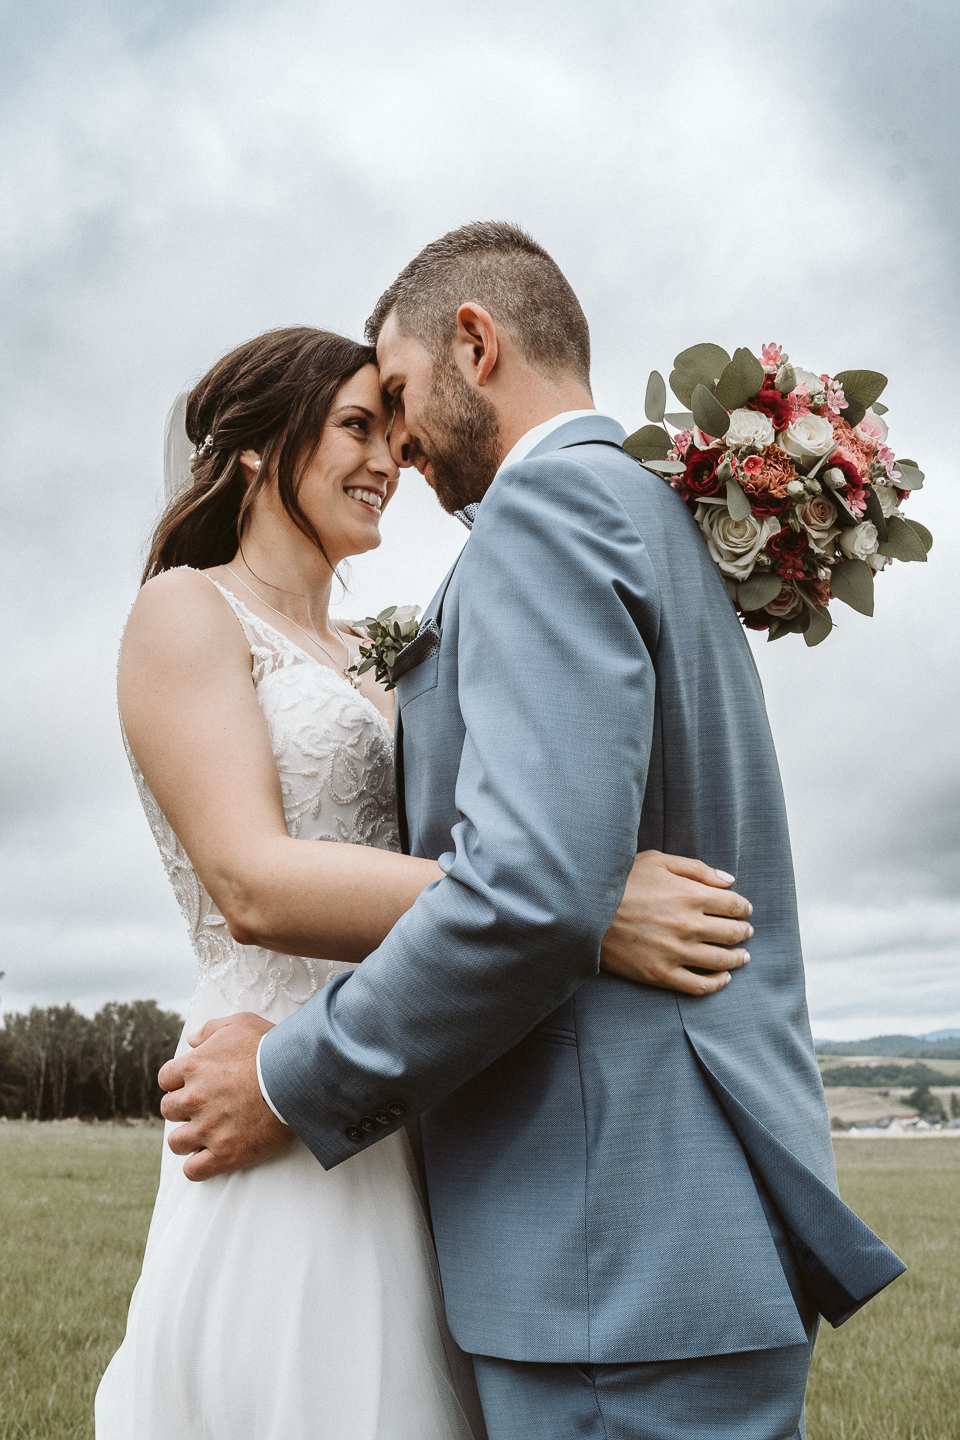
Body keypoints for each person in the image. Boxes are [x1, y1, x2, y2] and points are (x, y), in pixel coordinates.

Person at [159, 226, 905, 1439]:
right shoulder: (649, 511)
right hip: (665, 1238)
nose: (397, 444)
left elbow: (529, 896)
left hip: (609, 1251)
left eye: (394, 399)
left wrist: (287, 1082)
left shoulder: (546, 510)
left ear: (477, 342)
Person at [99, 324, 757, 1439]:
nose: (389, 464)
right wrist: (580, 905)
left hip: (407, 1079)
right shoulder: (184, 610)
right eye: (357, 425)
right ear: (257, 446)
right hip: (264, 1064)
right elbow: (252, 880)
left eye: (395, 438)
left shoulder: (378, 648)